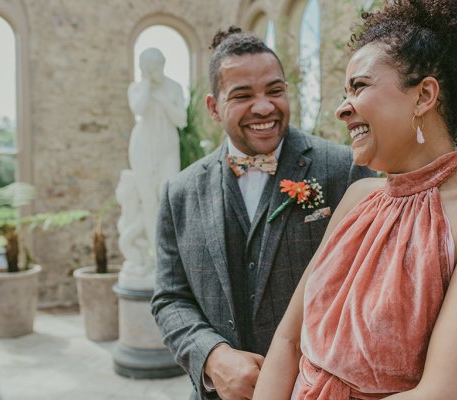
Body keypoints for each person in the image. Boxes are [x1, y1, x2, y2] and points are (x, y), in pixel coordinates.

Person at [253, 1, 457, 399]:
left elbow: (446, 393)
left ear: (424, 96)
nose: (342, 108)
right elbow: (287, 341)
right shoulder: (358, 196)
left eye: (360, 86)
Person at [150, 27, 374, 400]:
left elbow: (370, 291)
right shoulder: (180, 193)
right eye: (242, 95)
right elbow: (170, 298)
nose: (265, 107)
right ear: (213, 107)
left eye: (274, 90)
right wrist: (212, 357)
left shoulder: (345, 171)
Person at [128, 47, 187, 250]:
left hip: (168, 147)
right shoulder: (136, 88)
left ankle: (168, 245)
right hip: (143, 146)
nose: (158, 71)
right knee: (148, 199)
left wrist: (162, 100)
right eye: (153, 68)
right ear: (145, 69)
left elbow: (181, 120)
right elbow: (138, 109)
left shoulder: (174, 87)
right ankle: (154, 250)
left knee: (167, 194)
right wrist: (146, 83)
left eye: (160, 66)